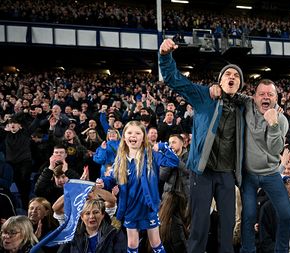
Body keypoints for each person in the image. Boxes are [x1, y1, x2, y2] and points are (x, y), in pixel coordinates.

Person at [159, 38, 245, 253]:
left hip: (226, 174)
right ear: (220, 81)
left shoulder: (245, 105)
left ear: (240, 84)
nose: (232, 77)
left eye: (236, 76)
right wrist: (165, 56)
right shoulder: (204, 96)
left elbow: (266, 104)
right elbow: (173, 79)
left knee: (227, 227)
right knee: (199, 226)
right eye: (227, 74)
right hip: (202, 172)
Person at [100, 121, 179, 253]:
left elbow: (173, 161)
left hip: (147, 207)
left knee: (155, 242)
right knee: (131, 243)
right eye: (129, 132)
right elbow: (112, 179)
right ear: (124, 137)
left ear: (144, 137)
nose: (133, 135)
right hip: (129, 208)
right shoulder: (120, 160)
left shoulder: (151, 155)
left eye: (138, 133)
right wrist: (103, 182)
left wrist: (162, 146)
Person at [233, 79, 290, 253]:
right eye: (262, 94)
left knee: (286, 215)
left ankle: (281, 250)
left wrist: (273, 124)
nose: (266, 97)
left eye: (270, 94)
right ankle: (247, 250)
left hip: (272, 174)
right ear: (254, 97)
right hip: (249, 175)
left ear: (276, 98)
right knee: (249, 215)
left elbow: (275, 149)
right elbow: (232, 94)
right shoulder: (247, 105)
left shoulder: (281, 120)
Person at [57, 199, 126, 253]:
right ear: (81, 217)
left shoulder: (115, 233)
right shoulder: (72, 235)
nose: (92, 216)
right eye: (87, 213)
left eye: (96, 212)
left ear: (102, 215)